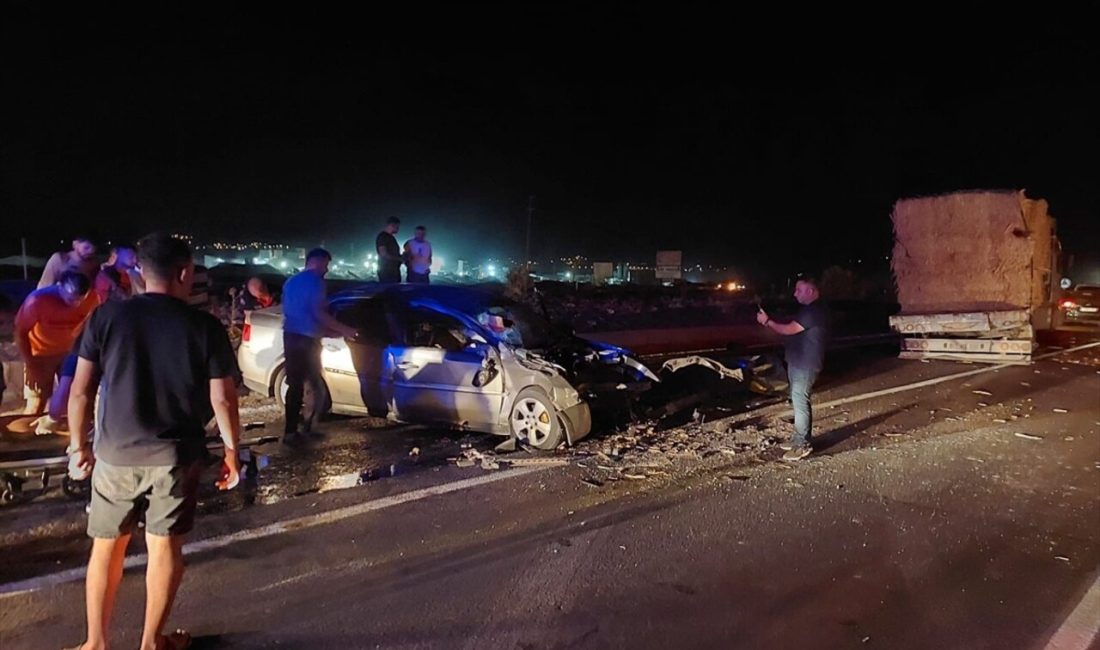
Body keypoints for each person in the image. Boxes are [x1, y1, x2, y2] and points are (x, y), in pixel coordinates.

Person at [66, 232, 242, 650]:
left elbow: (80, 392)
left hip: (114, 455)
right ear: (184, 273)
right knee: (164, 549)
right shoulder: (204, 326)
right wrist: (233, 451)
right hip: (175, 458)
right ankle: (151, 642)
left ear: (141, 273)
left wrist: (79, 446)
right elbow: (222, 397)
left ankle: (95, 643)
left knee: (106, 549)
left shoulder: (106, 318)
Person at [280, 248, 358, 441]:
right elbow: (319, 313)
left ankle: (290, 431)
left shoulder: (291, 282)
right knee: (315, 385)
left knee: (295, 385)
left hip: (290, 336)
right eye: (326, 265)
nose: (327, 269)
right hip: (307, 340)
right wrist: (345, 330)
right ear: (318, 261)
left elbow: (298, 311)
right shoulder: (316, 282)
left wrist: (329, 330)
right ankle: (308, 427)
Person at [757, 277, 830, 461]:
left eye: (799, 289)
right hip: (799, 362)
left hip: (806, 364)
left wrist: (767, 322)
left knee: (800, 401)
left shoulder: (814, 311)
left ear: (811, 292)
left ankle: (802, 444)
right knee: (798, 400)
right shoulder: (809, 310)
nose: (794, 293)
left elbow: (789, 329)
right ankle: (799, 438)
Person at [14, 270, 99, 415]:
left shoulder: (92, 298)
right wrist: (31, 365)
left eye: (80, 299)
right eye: (71, 299)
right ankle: (29, 435)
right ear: (59, 287)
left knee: (71, 398)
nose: (76, 303)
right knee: (37, 401)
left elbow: (90, 324)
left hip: (69, 353)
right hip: (40, 354)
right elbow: (20, 332)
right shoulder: (37, 301)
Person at [375, 216, 403, 284]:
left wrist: (401, 257)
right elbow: (384, 254)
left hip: (393, 272)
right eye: (397, 227)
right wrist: (399, 259)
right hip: (387, 272)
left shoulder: (391, 238)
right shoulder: (383, 236)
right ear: (392, 225)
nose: (398, 229)